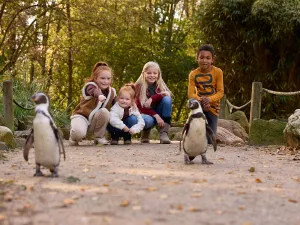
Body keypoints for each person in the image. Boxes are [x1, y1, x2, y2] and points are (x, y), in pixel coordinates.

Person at [69, 62, 117, 146]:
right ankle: (73, 137)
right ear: (95, 78)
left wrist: (129, 106)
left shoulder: (112, 91)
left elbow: (117, 104)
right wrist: (99, 95)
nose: (106, 81)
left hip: (94, 122)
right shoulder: (90, 86)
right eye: (102, 78)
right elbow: (93, 91)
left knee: (104, 111)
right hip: (82, 117)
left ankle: (99, 137)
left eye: (108, 78)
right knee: (78, 133)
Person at [188, 44, 224, 137]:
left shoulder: (218, 72)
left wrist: (209, 100)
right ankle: (194, 126)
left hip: (213, 108)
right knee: (192, 101)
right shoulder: (193, 74)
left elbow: (220, 92)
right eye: (202, 57)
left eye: (208, 58)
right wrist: (202, 101)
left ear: (212, 60)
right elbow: (191, 94)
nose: (204, 61)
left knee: (210, 140)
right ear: (197, 58)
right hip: (199, 105)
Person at [135, 61, 173, 144]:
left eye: (155, 73)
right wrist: (156, 116)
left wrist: (152, 98)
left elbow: (166, 94)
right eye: (149, 73)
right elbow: (140, 108)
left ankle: (164, 133)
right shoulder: (138, 86)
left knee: (167, 99)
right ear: (143, 73)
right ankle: (145, 133)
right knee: (146, 120)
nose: (152, 75)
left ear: (158, 74)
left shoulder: (160, 85)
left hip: (160, 114)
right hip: (146, 115)